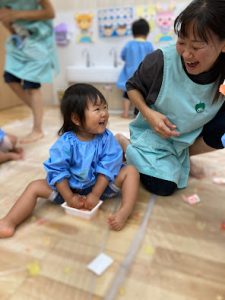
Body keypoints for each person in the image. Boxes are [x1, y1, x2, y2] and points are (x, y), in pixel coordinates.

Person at [0, 83, 139, 238]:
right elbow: (58, 170)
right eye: (97, 109)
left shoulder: (107, 139)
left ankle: (125, 211)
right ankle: (8, 221)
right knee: (34, 187)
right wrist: (69, 197)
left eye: (105, 107)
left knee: (131, 171)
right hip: (68, 190)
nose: (104, 114)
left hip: (101, 189)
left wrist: (94, 194)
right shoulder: (65, 143)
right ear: (76, 118)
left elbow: (107, 168)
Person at [116, 0, 225, 196]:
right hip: (154, 136)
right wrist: (149, 114)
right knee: (163, 187)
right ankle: (126, 144)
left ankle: (182, 156)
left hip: (188, 136)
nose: (186, 53)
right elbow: (132, 86)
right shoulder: (160, 60)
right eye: (181, 42)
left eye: (196, 46)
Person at [0, 0, 59, 144]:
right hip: (20, 39)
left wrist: (16, 14)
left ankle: (37, 130)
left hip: (39, 40)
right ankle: (38, 109)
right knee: (10, 78)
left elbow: (50, 13)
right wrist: (14, 30)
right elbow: (4, 17)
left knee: (31, 85)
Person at [116, 18, 154, 118]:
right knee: (141, 95)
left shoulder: (129, 44)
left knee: (127, 93)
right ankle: (139, 115)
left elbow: (123, 56)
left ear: (133, 32)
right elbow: (152, 59)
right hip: (143, 75)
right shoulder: (148, 45)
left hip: (130, 74)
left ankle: (125, 113)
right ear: (147, 32)